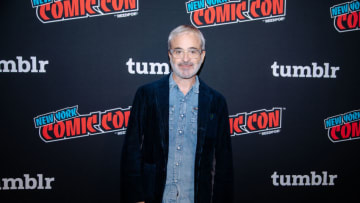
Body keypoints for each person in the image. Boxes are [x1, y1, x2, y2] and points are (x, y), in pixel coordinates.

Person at [121, 25, 233, 203]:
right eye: (179, 51)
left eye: (193, 51)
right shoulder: (147, 95)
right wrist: (137, 198)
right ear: (170, 55)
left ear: (202, 56)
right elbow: (132, 152)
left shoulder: (216, 102)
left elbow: (223, 162)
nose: (186, 59)